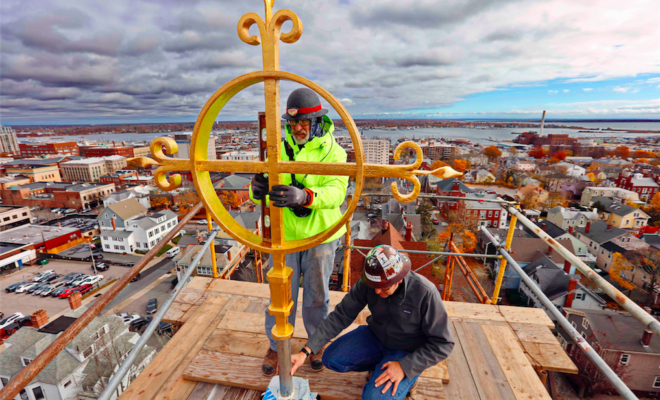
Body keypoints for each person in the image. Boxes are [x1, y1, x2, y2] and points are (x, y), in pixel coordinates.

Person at [249, 87, 348, 376]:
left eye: (304, 122)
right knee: (280, 295)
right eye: (293, 123)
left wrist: (305, 197)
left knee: (317, 296)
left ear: (317, 122)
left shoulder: (334, 152)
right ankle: (276, 344)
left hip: (320, 236)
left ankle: (316, 343)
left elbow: (336, 193)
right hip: (286, 235)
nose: (298, 128)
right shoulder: (278, 150)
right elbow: (266, 188)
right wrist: (257, 192)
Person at [290, 245, 454, 400]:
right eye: (373, 285)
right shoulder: (369, 282)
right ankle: (380, 366)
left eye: (383, 287)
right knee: (331, 359)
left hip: (406, 351)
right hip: (376, 337)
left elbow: (444, 343)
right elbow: (342, 314)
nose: (376, 290)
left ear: (398, 278)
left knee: (373, 398)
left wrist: (405, 366)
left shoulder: (425, 293)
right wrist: (305, 351)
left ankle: (407, 376)